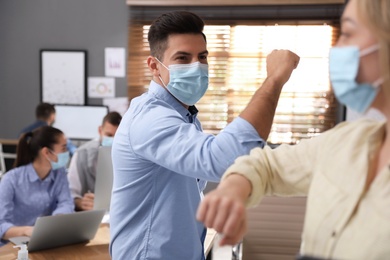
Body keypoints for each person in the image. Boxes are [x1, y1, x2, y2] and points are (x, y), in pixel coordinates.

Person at [196, 0, 390, 259]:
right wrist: (234, 189)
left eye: (347, 33)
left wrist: (275, 78)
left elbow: (219, 157)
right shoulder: (350, 140)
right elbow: (267, 165)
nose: (338, 47)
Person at [109, 11, 299, 260]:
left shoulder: (184, 116)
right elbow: (220, 159)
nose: (196, 66)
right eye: (182, 58)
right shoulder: (150, 119)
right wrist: (274, 80)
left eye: (202, 57)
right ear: (155, 66)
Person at [0, 126, 74, 246]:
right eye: (64, 148)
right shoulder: (11, 179)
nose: (67, 153)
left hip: (44, 243)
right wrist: (27, 231)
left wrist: (57, 220)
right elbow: (1, 225)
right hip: (13, 247)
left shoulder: (59, 173)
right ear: (46, 152)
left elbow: (66, 203)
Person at [67, 111, 122, 211]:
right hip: (90, 215)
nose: (113, 140)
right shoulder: (82, 154)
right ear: (100, 130)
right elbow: (70, 193)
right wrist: (80, 203)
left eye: (117, 136)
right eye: (109, 135)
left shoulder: (127, 156)